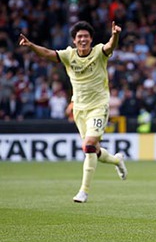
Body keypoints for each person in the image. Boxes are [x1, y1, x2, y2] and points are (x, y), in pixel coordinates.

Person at [19, 21, 128, 203]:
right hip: (79, 108)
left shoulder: (99, 52)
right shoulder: (69, 55)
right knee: (94, 150)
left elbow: (110, 46)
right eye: (79, 37)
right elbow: (47, 53)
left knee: (90, 145)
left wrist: (115, 35)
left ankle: (83, 191)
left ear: (91, 39)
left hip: (98, 107)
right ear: (74, 40)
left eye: (86, 36)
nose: (83, 39)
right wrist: (31, 46)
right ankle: (117, 161)